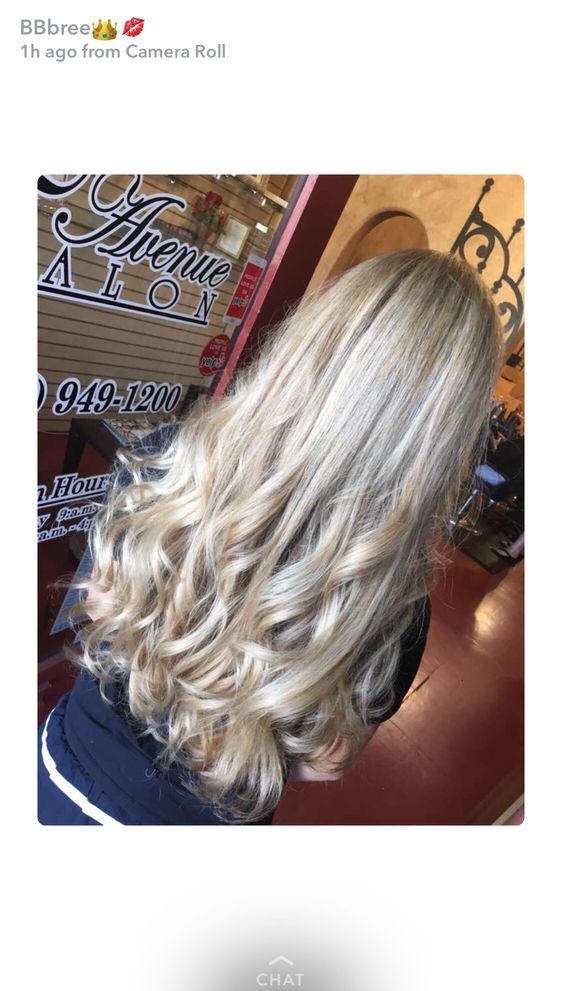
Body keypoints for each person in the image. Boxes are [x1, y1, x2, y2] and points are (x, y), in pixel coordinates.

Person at [38, 249, 502, 825]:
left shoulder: (173, 462)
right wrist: (239, 722)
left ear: (308, 345)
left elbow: (98, 603)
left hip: (66, 769)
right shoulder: (396, 609)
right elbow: (325, 761)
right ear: (448, 436)